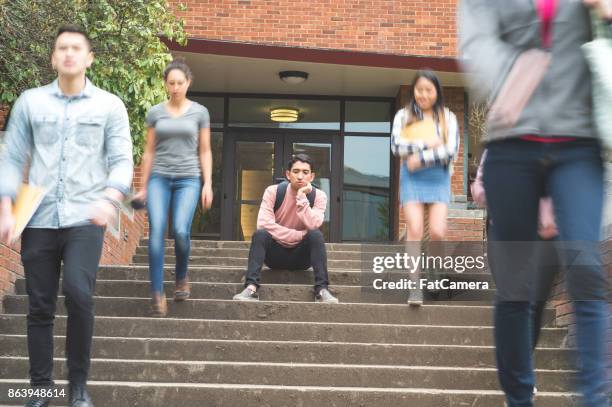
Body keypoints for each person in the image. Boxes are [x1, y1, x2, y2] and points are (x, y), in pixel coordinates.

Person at [459, 1, 612, 406]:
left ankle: (595, 399)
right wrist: (515, 75)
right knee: (515, 289)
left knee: (586, 270)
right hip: (512, 147)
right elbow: (476, 45)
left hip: (579, 144)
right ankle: (519, 398)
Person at [0, 25, 133, 407]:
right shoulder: (30, 102)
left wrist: (110, 197)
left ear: (89, 58)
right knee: (39, 304)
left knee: (78, 295)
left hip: (85, 218)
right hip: (39, 217)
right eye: (62, 48)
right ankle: (41, 387)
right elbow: (12, 156)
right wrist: (7, 203)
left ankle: (78, 387)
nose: (69, 53)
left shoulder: (109, 106)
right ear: (54, 57)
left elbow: (123, 160)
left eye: (77, 48)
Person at [133, 58, 213, 317]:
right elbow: (148, 152)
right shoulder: (155, 112)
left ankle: (181, 276)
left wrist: (208, 183)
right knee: (157, 231)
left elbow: (205, 150)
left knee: (180, 230)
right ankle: (157, 293)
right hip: (159, 178)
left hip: (188, 179)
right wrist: (143, 187)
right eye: (171, 83)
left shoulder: (200, 112)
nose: (176, 87)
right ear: (166, 85)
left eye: (180, 82)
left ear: (188, 83)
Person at [391, 70, 460, 306]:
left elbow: (451, 149)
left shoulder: (448, 117)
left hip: (438, 177)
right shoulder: (403, 115)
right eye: (419, 89)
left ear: (437, 92)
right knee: (415, 229)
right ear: (414, 90)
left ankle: (433, 272)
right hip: (411, 178)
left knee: (439, 232)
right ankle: (415, 287)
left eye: (429, 90)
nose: (423, 94)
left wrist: (421, 157)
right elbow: (396, 146)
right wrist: (426, 143)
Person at [232, 154, 339, 304]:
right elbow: (263, 224)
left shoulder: (319, 196)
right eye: (295, 171)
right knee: (260, 235)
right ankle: (251, 288)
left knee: (316, 235)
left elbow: (314, 225)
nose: (300, 176)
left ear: (312, 176)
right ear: (288, 174)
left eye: (305, 172)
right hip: (275, 255)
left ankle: (322, 290)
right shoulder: (273, 192)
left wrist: (302, 198)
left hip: (302, 258)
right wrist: (301, 234)